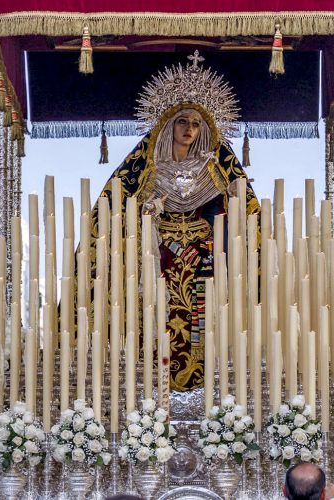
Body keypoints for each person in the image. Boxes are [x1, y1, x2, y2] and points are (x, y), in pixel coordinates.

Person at [94, 54, 258, 392]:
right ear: (168, 125)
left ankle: (209, 383)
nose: (190, 130)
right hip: (159, 257)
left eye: (196, 124)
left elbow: (238, 213)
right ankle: (152, 381)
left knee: (204, 320)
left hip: (203, 259)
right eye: (183, 122)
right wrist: (149, 210)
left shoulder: (215, 169)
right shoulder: (147, 170)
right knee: (159, 317)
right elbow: (119, 210)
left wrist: (229, 207)